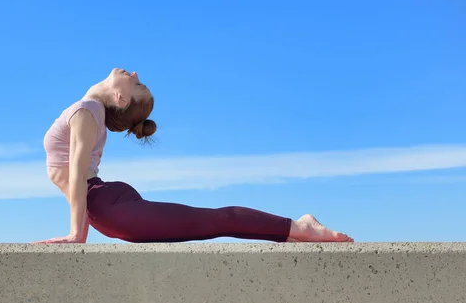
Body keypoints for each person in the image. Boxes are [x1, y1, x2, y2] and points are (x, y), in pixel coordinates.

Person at [33, 68, 354, 244]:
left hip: (106, 205)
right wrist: (80, 232)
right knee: (208, 221)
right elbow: (76, 175)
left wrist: (77, 236)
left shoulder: (87, 112)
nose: (133, 73)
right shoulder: (89, 112)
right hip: (106, 203)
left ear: (119, 97)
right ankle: (291, 230)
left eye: (138, 83)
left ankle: (298, 226)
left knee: (211, 220)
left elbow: (76, 173)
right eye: (139, 80)